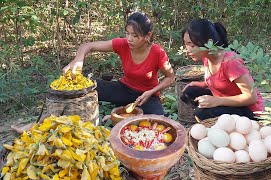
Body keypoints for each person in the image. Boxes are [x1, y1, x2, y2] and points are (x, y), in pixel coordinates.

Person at [11, 12, 174, 133]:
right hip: (123, 89)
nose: (129, 39)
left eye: (135, 35)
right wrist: (78, 60)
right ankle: (38, 123)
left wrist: (151, 92)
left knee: (159, 121)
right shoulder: (122, 44)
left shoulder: (158, 53)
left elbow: (170, 78)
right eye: (127, 33)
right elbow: (87, 46)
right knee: (76, 88)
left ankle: (121, 115)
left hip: (148, 96)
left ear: (148, 36)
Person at [180, 18, 264, 120]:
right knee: (189, 93)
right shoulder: (207, 57)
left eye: (192, 45)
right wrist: (202, 84)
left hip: (249, 110)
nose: (188, 50)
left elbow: (251, 97)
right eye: (186, 44)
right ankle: (214, 122)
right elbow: (221, 80)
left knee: (202, 113)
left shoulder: (230, 62)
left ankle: (213, 123)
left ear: (208, 43)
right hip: (225, 100)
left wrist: (216, 101)